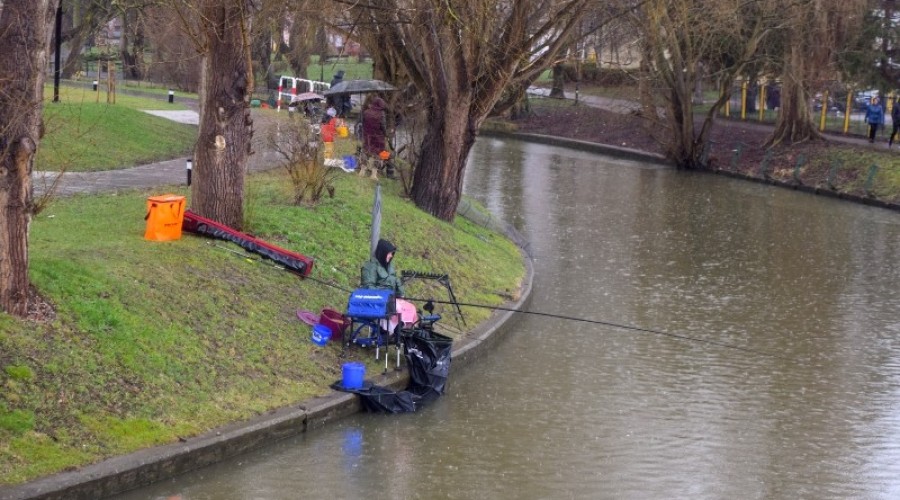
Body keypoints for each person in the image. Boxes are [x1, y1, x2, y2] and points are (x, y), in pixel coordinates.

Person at [360, 96, 388, 179]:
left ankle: (362, 170)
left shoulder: (366, 112)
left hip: (367, 135)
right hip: (378, 137)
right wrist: (386, 135)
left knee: (365, 151)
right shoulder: (381, 114)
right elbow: (383, 127)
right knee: (380, 154)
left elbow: (363, 123)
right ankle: (374, 174)